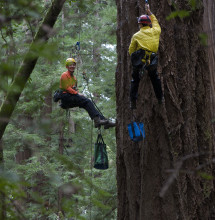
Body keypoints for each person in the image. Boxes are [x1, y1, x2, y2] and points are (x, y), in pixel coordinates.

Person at [59, 58, 115, 129]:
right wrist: (77, 94)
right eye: (70, 65)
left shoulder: (74, 78)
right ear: (67, 66)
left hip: (71, 97)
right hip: (65, 97)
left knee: (86, 104)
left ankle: (103, 120)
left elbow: (74, 89)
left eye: (73, 65)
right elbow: (66, 87)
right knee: (87, 101)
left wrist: (78, 93)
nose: (72, 66)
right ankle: (97, 121)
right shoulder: (64, 75)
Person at [129, 4, 164, 109]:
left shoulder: (136, 35)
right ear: (149, 24)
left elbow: (131, 50)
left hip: (140, 60)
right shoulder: (156, 31)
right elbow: (156, 22)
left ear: (140, 25)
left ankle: (133, 101)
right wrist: (149, 12)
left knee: (135, 80)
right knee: (155, 79)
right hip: (152, 60)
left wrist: (135, 57)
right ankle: (160, 98)